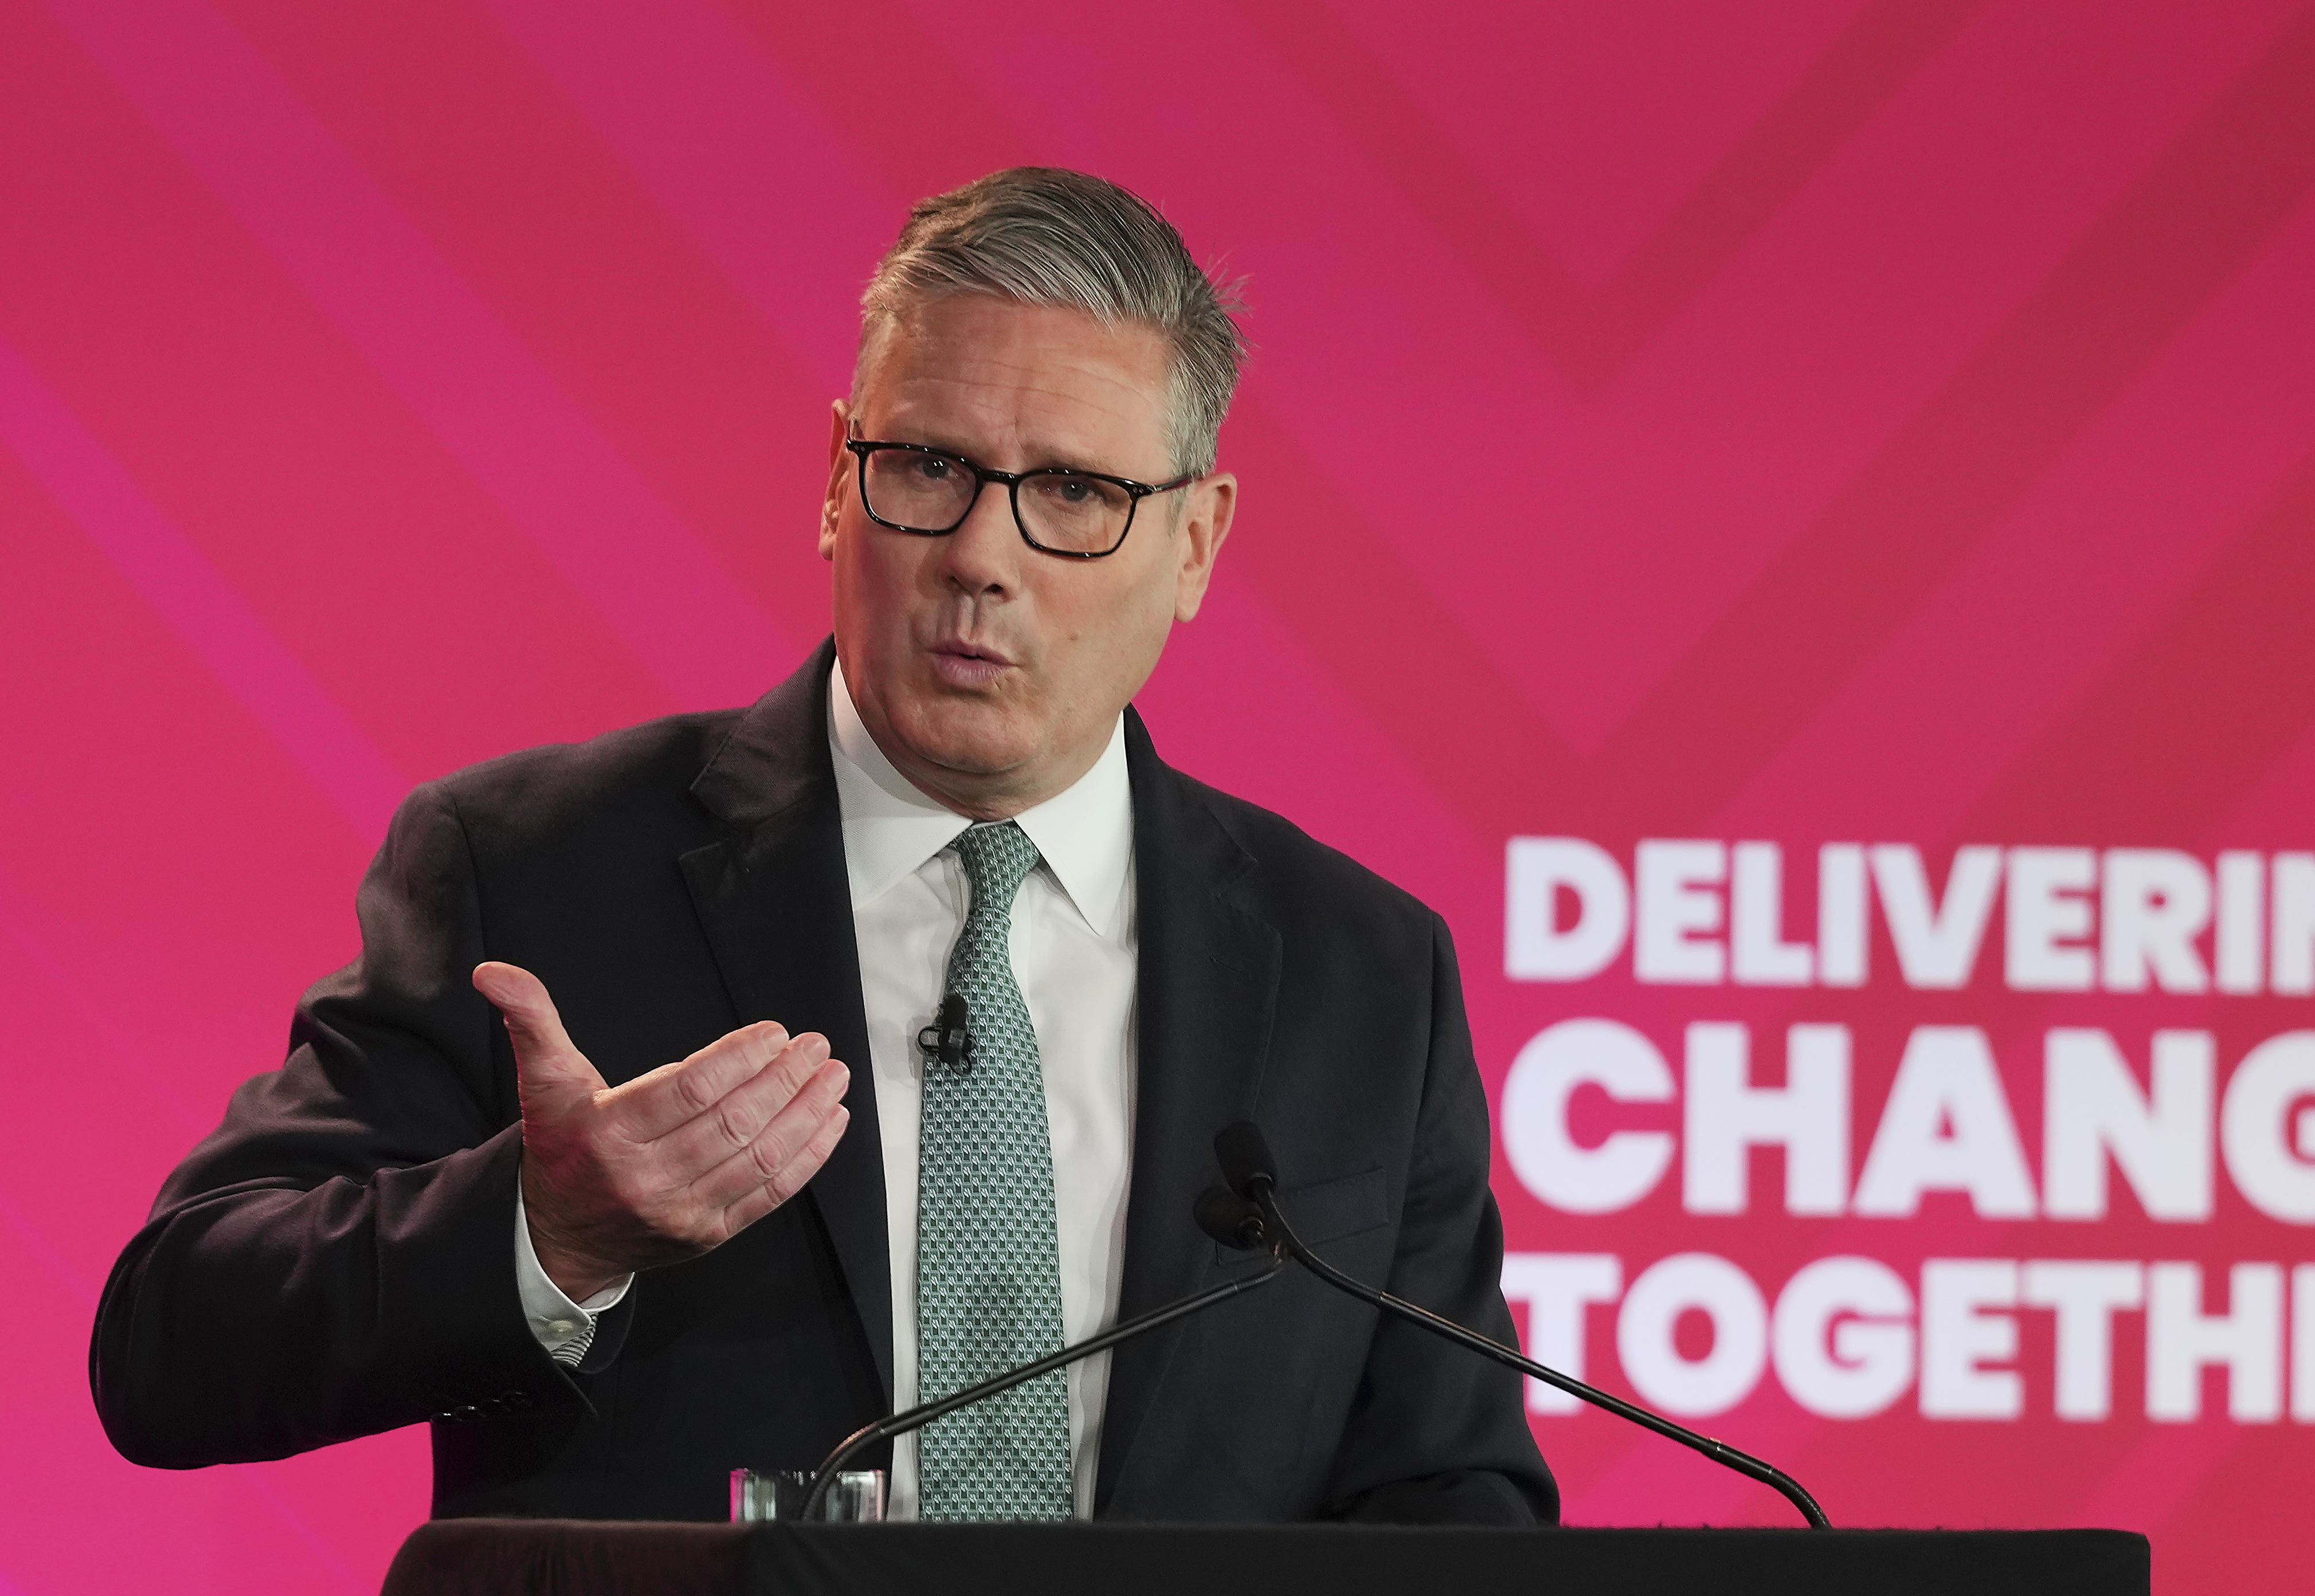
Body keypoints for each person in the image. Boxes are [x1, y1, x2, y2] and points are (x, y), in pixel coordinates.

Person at [91, 167, 1555, 1527]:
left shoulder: (1363, 975)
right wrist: (547, 1229)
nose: (980, 555)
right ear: (837, 480)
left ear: (1196, 544)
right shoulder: (533, 872)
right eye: (928, 465)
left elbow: (1456, 1500)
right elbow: (171, 1339)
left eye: (1074, 493)